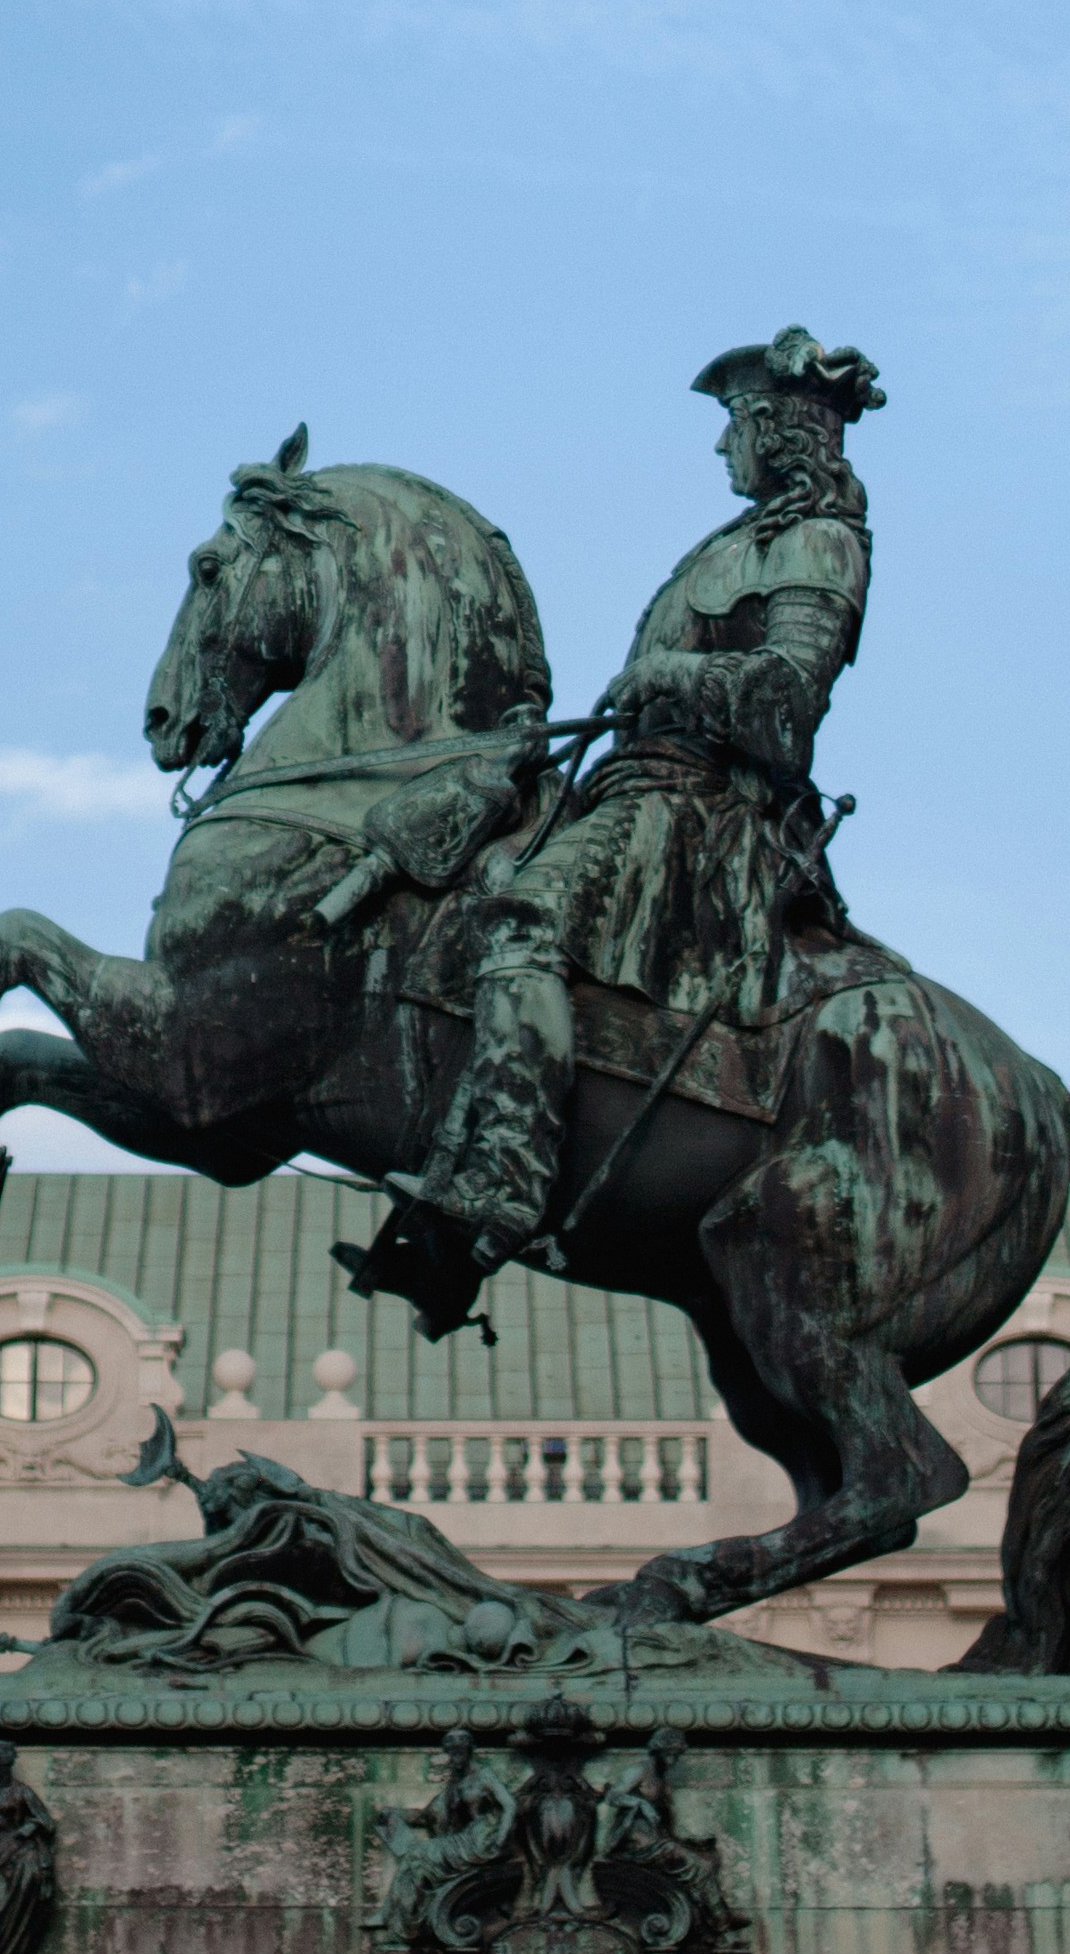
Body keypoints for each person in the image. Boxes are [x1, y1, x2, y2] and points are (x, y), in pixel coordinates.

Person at [352, 330, 884, 1321]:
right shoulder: (732, 543)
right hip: (626, 784)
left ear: (773, 429)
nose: (721, 449)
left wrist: (673, 674)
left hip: (696, 809)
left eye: (733, 425)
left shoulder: (819, 540)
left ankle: (500, 1181)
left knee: (524, 918)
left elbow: (789, 701)